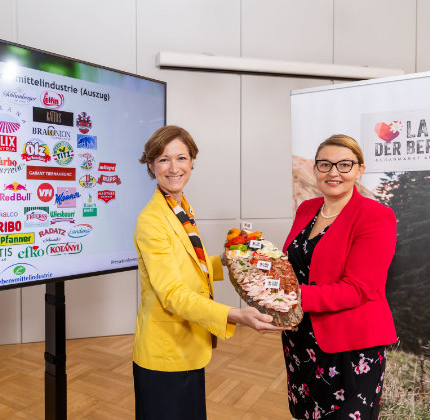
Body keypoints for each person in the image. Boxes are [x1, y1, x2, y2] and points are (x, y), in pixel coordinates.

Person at [133, 125, 286, 420]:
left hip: (188, 348)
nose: (174, 168)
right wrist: (235, 315)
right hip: (165, 354)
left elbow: (191, 264)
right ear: (151, 166)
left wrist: (232, 259)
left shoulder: (179, 207)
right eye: (163, 159)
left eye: (181, 158)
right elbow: (172, 293)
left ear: (192, 161)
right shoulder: (152, 220)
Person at [281, 134, 397, 420]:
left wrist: (288, 297)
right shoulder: (307, 209)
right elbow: (296, 265)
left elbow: (358, 288)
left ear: (360, 169)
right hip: (300, 339)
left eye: (344, 165)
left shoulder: (376, 215)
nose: (334, 172)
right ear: (315, 169)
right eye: (325, 164)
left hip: (350, 346)